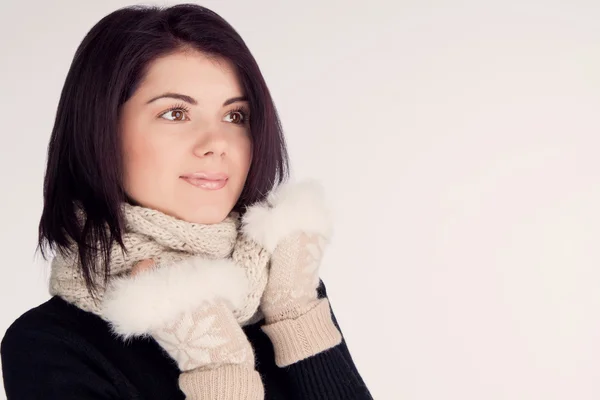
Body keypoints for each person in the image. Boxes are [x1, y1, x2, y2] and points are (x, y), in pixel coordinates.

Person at [0, 3, 372, 399]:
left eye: (235, 117)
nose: (217, 144)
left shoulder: (283, 291)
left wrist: (298, 319)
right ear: (100, 131)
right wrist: (219, 370)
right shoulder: (49, 346)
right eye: (176, 113)